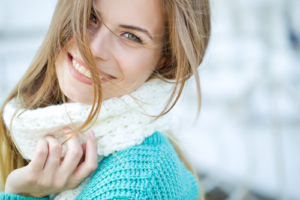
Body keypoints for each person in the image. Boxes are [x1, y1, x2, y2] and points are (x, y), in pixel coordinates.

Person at [0, 0, 210, 199]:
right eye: (90, 17)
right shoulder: (21, 126)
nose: (93, 50)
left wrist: (20, 196)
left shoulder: (134, 186)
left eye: (131, 36)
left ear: (165, 60)